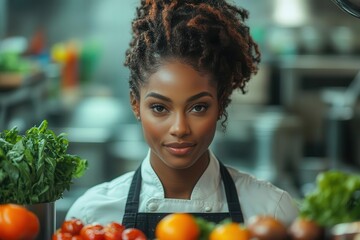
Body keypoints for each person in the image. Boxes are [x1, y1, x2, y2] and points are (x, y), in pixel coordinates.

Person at [66, 0, 299, 238]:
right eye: (159, 108)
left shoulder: (273, 211)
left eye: (198, 107)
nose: (180, 128)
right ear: (136, 105)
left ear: (220, 104)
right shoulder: (91, 216)